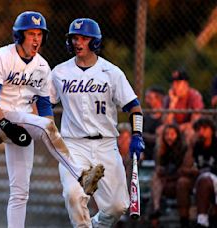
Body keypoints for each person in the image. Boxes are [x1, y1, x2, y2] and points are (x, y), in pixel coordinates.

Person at [0, 11, 104, 228]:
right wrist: (4, 125)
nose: (36, 39)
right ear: (19, 36)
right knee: (45, 125)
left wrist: (49, 134)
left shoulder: (42, 66)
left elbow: (45, 106)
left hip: (25, 119)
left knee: (20, 191)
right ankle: (80, 175)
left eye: (39, 34)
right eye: (31, 34)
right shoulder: (1, 57)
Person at [49, 18, 145, 227]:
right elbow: (44, 102)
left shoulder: (111, 72)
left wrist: (137, 135)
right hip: (73, 145)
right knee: (73, 195)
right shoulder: (59, 72)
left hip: (106, 144)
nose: (77, 42)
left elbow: (134, 107)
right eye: (74, 37)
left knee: (117, 206)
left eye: (84, 38)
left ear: (95, 42)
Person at [149, 124, 194, 227]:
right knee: (155, 179)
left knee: (181, 183)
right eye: (166, 134)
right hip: (165, 183)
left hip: (179, 182)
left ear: (177, 135)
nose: (169, 137)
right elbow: (159, 168)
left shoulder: (184, 148)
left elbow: (183, 170)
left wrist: (166, 174)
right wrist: (161, 171)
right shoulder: (161, 149)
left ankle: (184, 221)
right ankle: (156, 210)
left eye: (172, 134)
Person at [163, 69, 204, 140]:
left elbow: (195, 122)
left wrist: (179, 128)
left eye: (178, 82)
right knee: (160, 130)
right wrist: (173, 103)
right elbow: (166, 123)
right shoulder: (169, 98)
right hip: (174, 128)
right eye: (173, 82)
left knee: (189, 133)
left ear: (186, 84)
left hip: (188, 128)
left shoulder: (194, 96)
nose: (174, 85)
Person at [192, 118, 217, 227]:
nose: (201, 131)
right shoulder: (196, 146)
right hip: (200, 178)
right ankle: (198, 221)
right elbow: (188, 167)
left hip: (214, 177)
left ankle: (202, 220)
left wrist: (208, 171)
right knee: (183, 183)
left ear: (212, 130)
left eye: (204, 128)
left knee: (205, 179)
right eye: (198, 129)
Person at [143, 86, 165, 161]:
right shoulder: (144, 116)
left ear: (159, 99)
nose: (146, 100)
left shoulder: (166, 115)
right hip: (145, 147)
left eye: (149, 98)